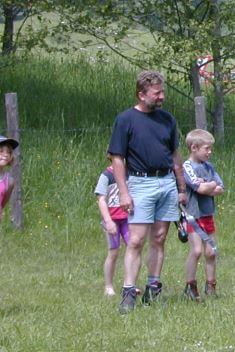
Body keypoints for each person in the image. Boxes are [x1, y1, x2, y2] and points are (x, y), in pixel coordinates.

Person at [107, 70, 187, 314]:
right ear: (141, 94)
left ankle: (153, 287)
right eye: (157, 93)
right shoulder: (126, 120)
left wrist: (181, 187)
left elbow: (174, 155)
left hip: (166, 183)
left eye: (162, 92)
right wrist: (123, 192)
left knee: (160, 238)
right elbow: (118, 158)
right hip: (140, 184)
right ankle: (129, 291)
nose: (162, 96)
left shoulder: (167, 119)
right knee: (136, 240)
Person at [181, 129, 224, 302]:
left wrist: (209, 185)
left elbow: (220, 188)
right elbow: (199, 188)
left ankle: (211, 285)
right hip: (193, 215)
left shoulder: (209, 167)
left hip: (207, 214)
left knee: (211, 251)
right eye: (206, 148)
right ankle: (190, 285)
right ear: (194, 147)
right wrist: (209, 186)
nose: (209, 152)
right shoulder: (187, 167)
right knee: (197, 250)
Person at [94, 165, 130, 297]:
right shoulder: (106, 176)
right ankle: (108, 286)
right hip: (112, 219)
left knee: (132, 248)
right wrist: (108, 221)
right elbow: (101, 200)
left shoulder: (130, 173)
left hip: (127, 219)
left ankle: (129, 283)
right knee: (113, 252)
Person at [0, 135, 19, 223]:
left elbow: (2, 204)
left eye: (8, 152)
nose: (5, 155)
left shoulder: (9, 181)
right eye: (1, 151)